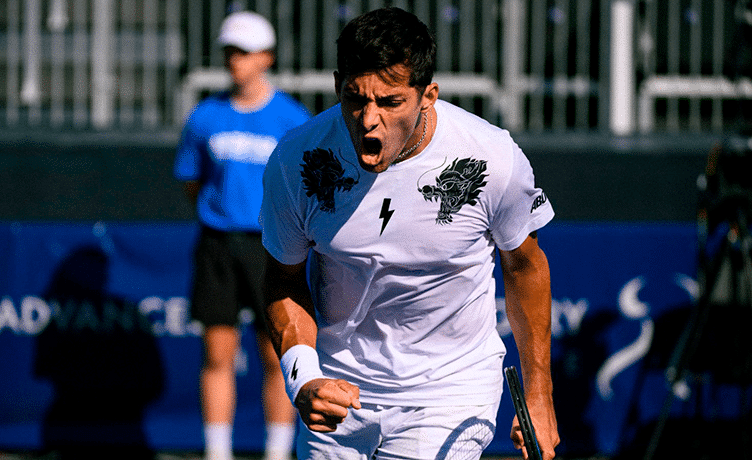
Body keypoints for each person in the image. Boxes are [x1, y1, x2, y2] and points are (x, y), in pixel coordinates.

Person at [260, 7, 560, 460]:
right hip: (340, 392)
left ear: (428, 95)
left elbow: (525, 267)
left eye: (390, 102)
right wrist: (303, 376)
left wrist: (540, 394)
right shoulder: (295, 160)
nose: (368, 120)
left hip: (450, 393)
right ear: (337, 84)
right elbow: (282, 279)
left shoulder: (493, 157)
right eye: (355, 98)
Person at [173, 10, 310, 460]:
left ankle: (276, 451)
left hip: (274, 248)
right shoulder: (204, 117)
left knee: (279, 356)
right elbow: (193, 180)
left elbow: (304, 186)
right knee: (217, 354)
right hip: (218, 246)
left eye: (245, 52)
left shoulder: (292, 118)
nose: (236, 60)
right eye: (230, 51)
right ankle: (217, 452)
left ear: (266, 57)